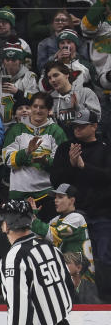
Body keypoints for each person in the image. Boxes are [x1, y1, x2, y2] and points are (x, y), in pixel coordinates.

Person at [49, 109, 111, 300]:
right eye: (75, 125)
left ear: (94, 127)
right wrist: (71, 164)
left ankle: (105, 302)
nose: (77, 129)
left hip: (101, 215)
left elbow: (107, 178)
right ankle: (69, 300)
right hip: (72, 215)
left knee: (103, 259)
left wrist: (84, 167)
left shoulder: (105, 149)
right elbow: (55, 180)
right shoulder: (65, 148)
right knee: (69, 261)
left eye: (83, 125)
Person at [2, 92, 67, 207]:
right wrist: (27, 152)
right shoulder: (16, 130)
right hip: (19, 192)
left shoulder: (57, 131)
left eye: (42, 107)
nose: (38, 110)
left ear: (49, 110)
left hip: (47, 193)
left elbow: (62, 164)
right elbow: (7, 159)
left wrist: (45, 161)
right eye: (35, 106)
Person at [30, 183, 95, 282]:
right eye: (55, 197)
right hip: (68, 273)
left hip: (83, 278)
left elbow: (53, 235)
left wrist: (33, 220)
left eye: (60, 197)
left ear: (72, 200)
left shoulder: (77, 218)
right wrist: (32, 214)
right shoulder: (56, 220)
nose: (56, 200)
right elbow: (39, 236)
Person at [0, 42, 39, 129]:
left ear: (20, 61)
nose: (10, 63)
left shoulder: (30, 76)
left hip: (26, 125)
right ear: (3, 61)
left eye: (14, 60)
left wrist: (17, 92)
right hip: (1, 127)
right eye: (7, 60)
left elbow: (35, 100)